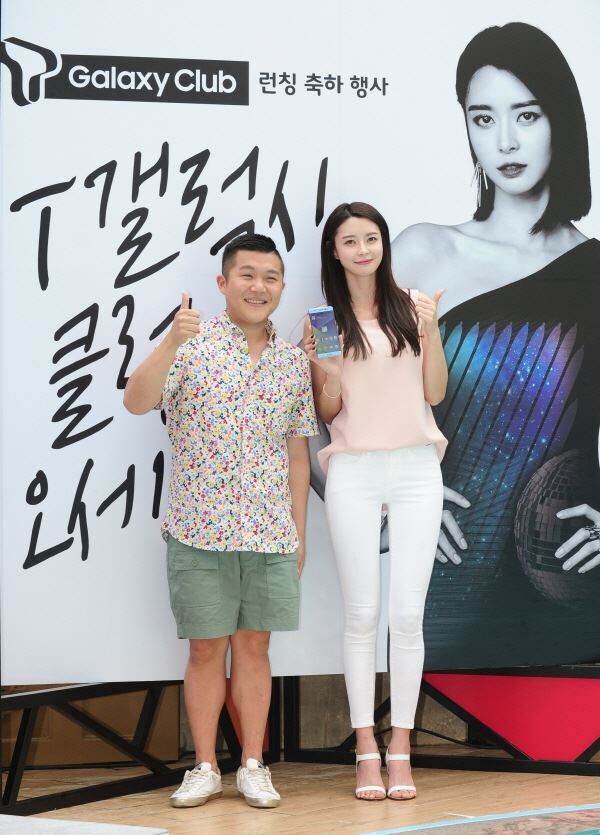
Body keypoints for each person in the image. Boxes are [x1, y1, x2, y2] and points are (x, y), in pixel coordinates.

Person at [392, 22, 600, 669]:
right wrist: (388, 503)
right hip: (446, 583)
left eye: (526, 115)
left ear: (560, 119)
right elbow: (327, 387)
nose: (505, 141)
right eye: (483, 118)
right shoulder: (424, 250)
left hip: (567, 585)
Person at [124, 234, 317, 809]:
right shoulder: (190, 345)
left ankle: (253, 765)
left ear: (281, 286)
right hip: (197, 529)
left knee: (255, 649)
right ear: (223, 283)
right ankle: (205, 766)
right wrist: (169, 342)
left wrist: (299, 532)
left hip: (270, 532)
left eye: (271, 277)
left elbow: (298, 453)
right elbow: (136, 401)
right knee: (206, 652)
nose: (259, 286)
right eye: (247, 275)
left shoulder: (292, 362)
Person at [303, 201, 447, 800]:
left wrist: (431, 330)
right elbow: (326, 411)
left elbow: (434, 394)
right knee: (361, 614)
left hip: (416, 468)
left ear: (383, 244)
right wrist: (330, 373)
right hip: (354, 470)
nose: (362, 249)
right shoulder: (322, 321)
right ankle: (366, 748)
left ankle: (402, 748)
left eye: (371, 238)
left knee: (407, 617)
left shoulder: (413, 307)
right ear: (334, 252)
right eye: (350, 241)